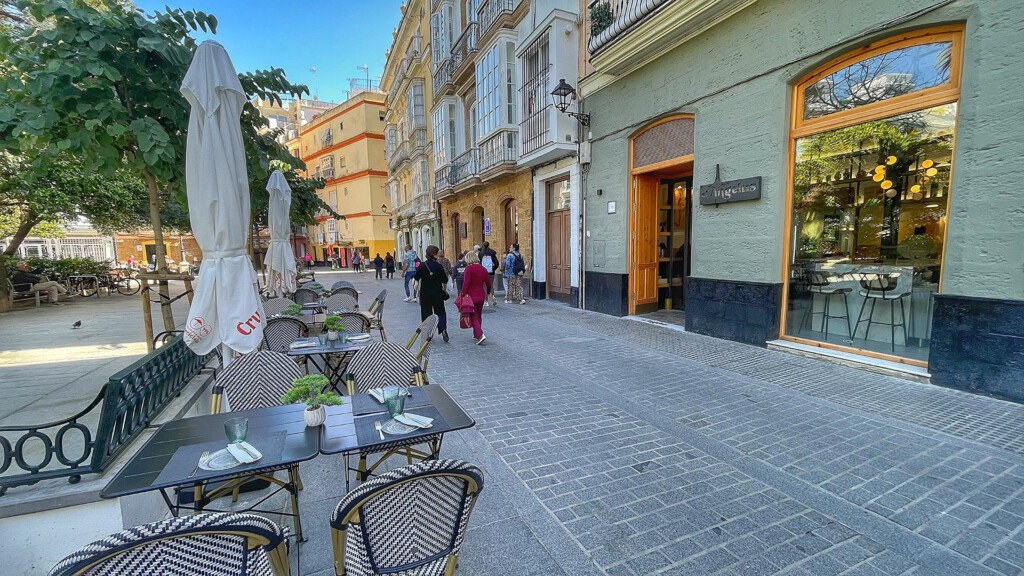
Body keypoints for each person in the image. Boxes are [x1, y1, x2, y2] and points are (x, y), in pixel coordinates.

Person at [413, 245, 450, 343]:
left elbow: (416, 277)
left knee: (426, 313)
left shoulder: (422, 265)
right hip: (437, 293)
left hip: (425, 293)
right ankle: (443, 329)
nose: (438, 255)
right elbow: (444, 280)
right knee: (440, 311)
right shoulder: (439, 266)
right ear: (434, 254)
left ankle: (427, 333)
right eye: (437, 253)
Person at [458, 251, 492, 344]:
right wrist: (488, 292)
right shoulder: (483, 269)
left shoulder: (469, 269)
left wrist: (463, 294)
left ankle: (480, 335)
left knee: (473, 315)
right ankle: (476, 333)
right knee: (479, 315)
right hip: (481, 295)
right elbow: (488, 283)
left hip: (471, 296)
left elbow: (466, 283)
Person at [479, 241, 500, 306]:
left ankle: (486, 301)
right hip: (491, 272)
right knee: (490, 285)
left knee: (484, 286)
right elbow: (496, 263)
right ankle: (492, 297)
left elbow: (478, 263)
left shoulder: (481, 254)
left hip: (483, 273)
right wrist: (493, 269)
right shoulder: (492, 253)